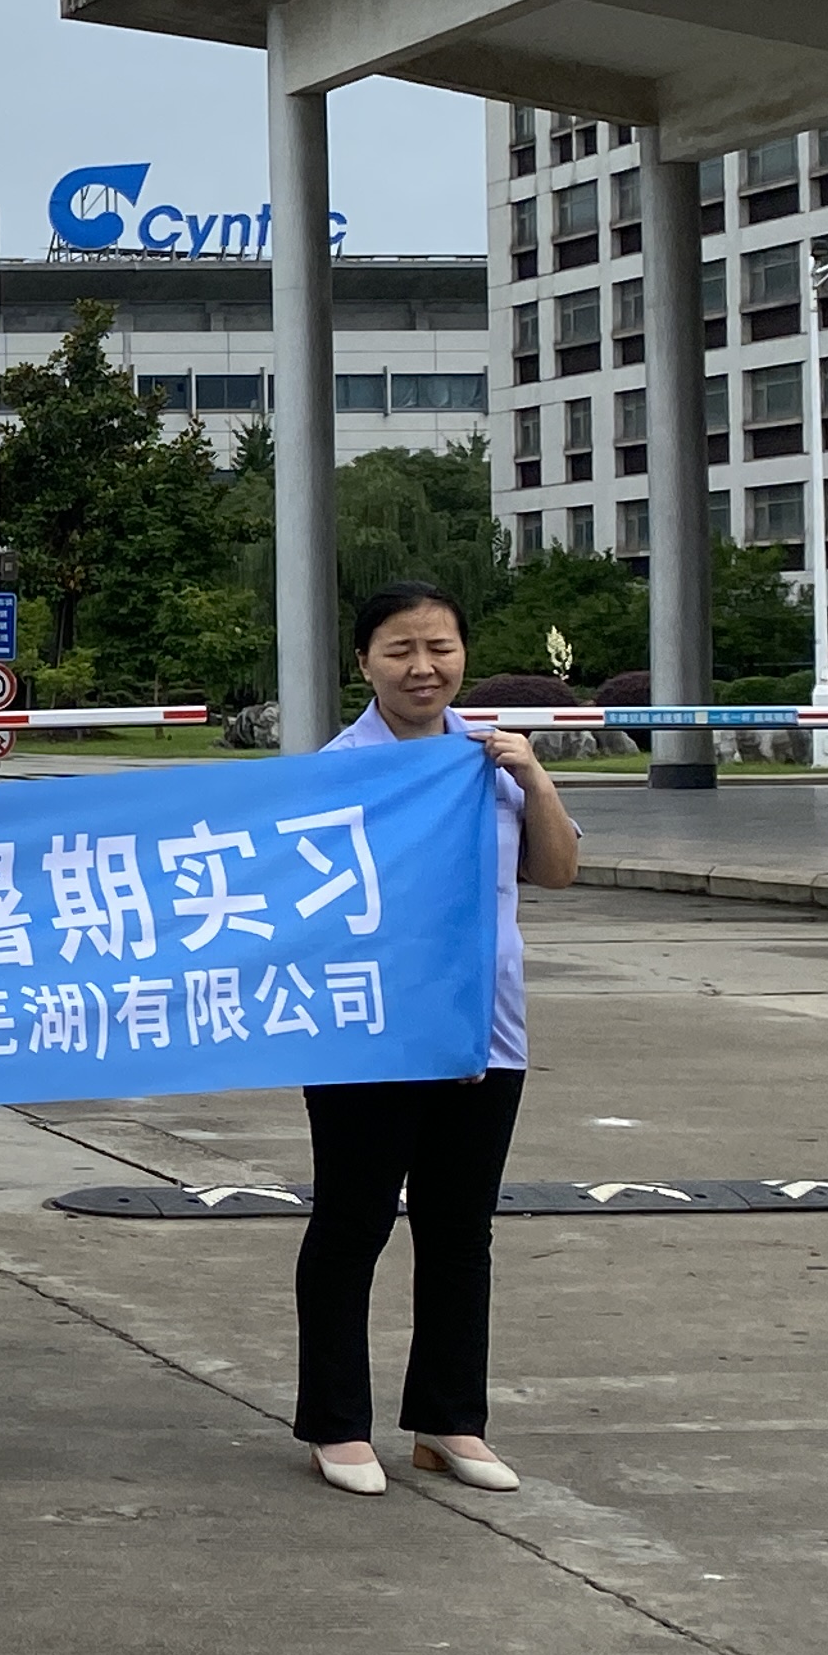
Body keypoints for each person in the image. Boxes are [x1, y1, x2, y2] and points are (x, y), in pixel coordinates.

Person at [292, 581, 580, 1497]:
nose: (423, 667)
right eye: (400, 650)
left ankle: (450, 1422)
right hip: (371, 1036)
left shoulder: (488, 759)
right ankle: (337, 1425)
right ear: (364, 663)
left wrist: (533, 777)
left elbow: (558, 870)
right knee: (353, 1224)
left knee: (460, 1232)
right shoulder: (338, 774)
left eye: (440, 648)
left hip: (486, 1034)